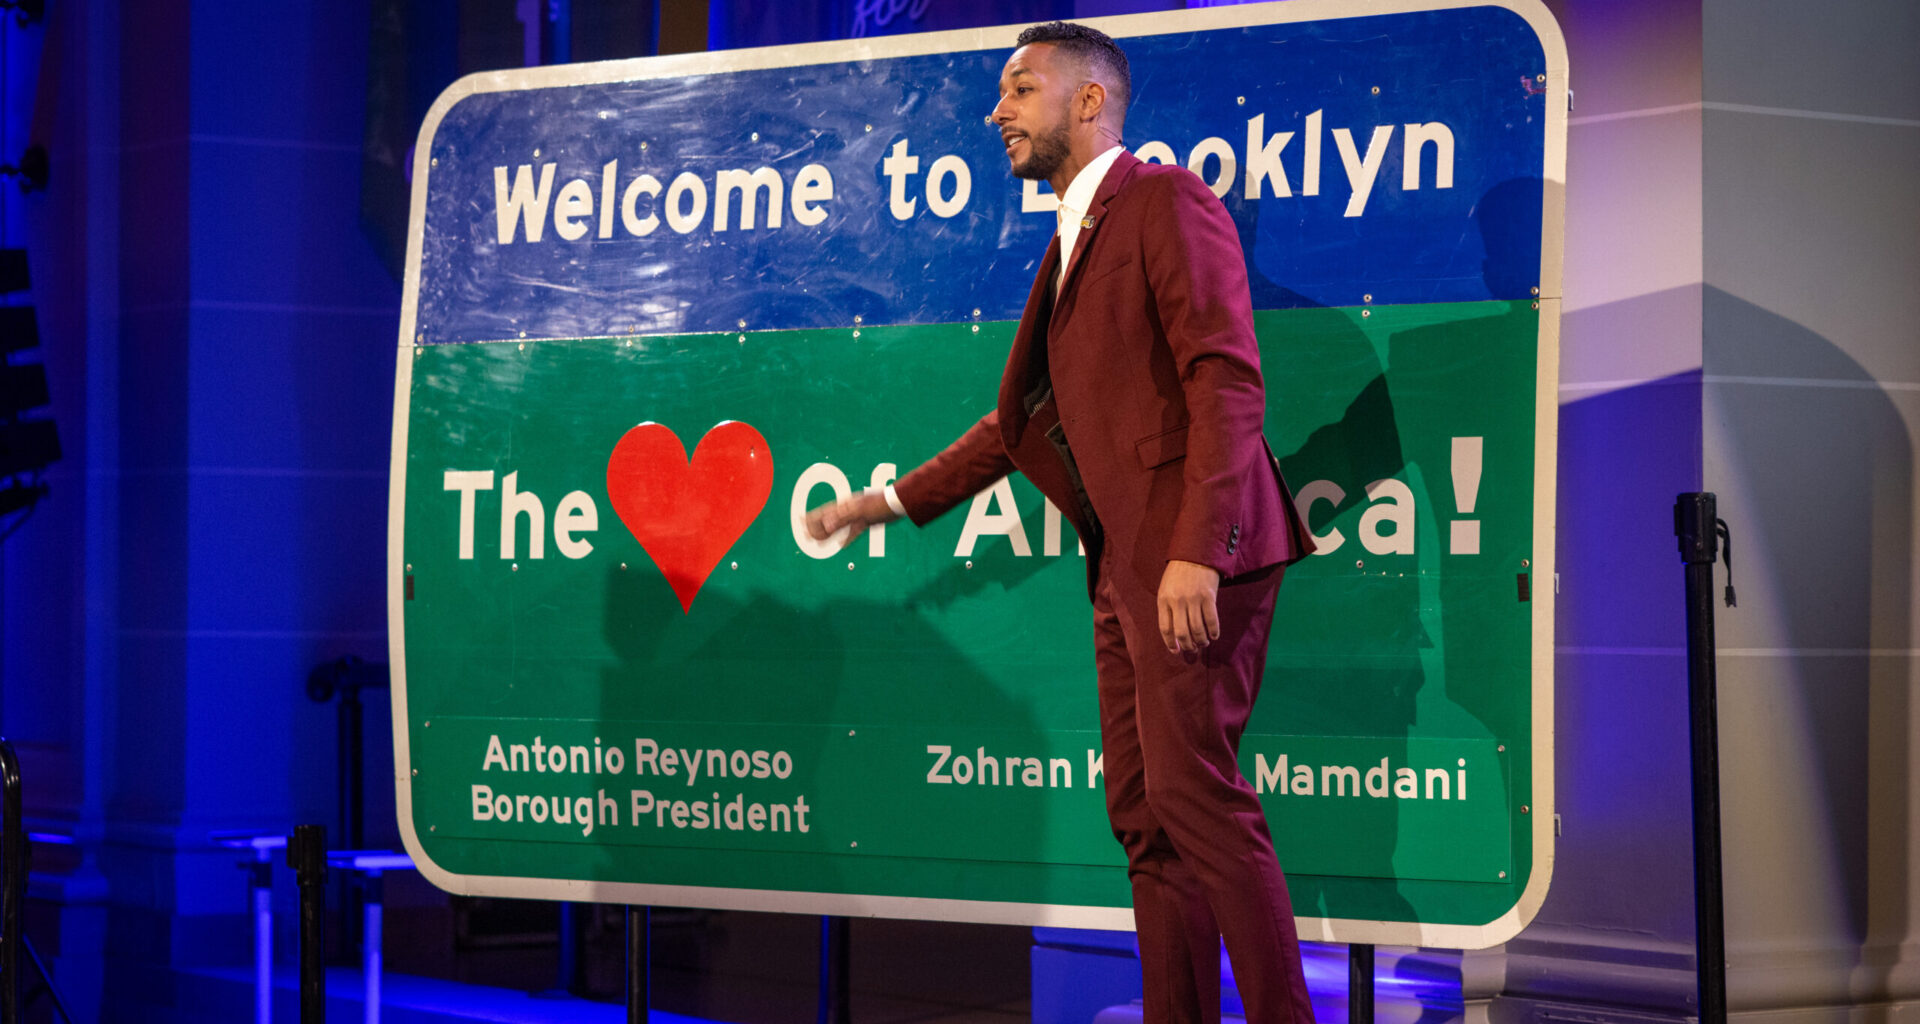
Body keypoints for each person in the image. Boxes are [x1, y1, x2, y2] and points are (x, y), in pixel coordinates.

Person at [805, 21, 1316, 1024]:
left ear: (1089, 101)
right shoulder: (1069, 244)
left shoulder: (1167, 200)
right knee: (1146, 818)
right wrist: (888, 503)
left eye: (1020, 88)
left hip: (1192, 560)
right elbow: (1016, 426)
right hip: (1125, 568)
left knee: (1197, 798)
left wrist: (1197, 553)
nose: (996, 111)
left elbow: (1226, 378)